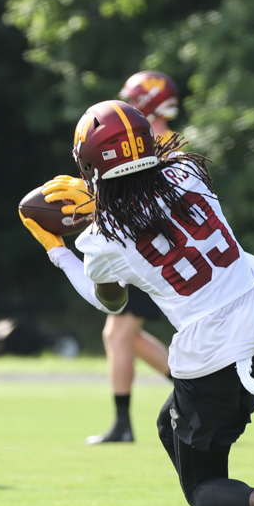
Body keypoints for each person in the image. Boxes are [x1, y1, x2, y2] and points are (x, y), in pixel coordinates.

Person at [22, 100, 254, 506]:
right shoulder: (186, 173)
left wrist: (58, 249)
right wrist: (102, 207)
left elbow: (108, 302)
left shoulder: (105, 239)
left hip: (211, 351)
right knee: (170, 430)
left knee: (199, 486)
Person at [71, 71, 179, 445]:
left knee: (116, 334)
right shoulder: (164, 140)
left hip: (145, 252)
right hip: (157, 249)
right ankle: (190, 387)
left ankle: (123, 423)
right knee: (125, 338)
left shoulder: (153, 142)